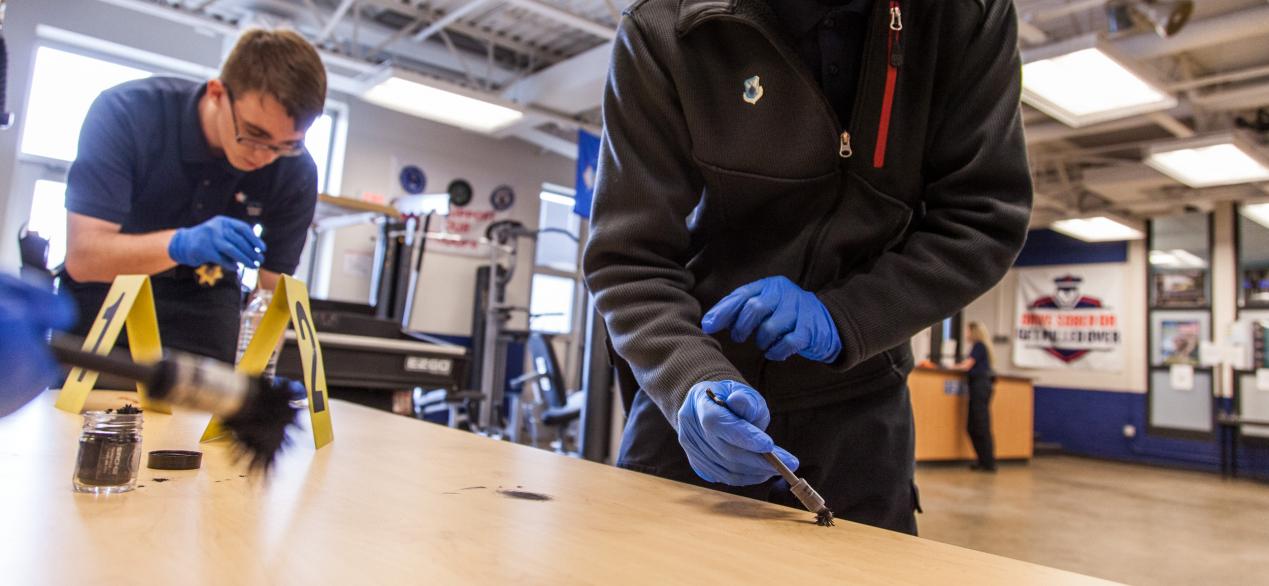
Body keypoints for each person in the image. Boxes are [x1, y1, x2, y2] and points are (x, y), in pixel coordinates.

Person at [583, 0, 1032, 534]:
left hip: (862, 418)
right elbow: (629, 257)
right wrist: (687, 377)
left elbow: (982, 221)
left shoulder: (965, 16)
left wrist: (847, 316)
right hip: (697, 412)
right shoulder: (665, 28)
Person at [60, 29, 327, 364]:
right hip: (106, 294)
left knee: (205, 413)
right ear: (217, 92)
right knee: (80, 411)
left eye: (286, 144)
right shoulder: (127, 113)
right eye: (255, 135)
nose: (265, 156)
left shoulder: (295, 170)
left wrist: (260, 377)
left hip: (205, 304)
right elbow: (84, 258)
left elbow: (272, 294)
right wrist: (179, 245)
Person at [953, 321, 997, 472]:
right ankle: (983, 460)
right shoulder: (981, 347)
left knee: (979, 425)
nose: (966, 334)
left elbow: (966, 365)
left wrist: (951, 366)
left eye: (967, 331)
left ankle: (988, 462)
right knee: (974, 425)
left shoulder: (979, 346)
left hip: (980, 387)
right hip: (979, 387)